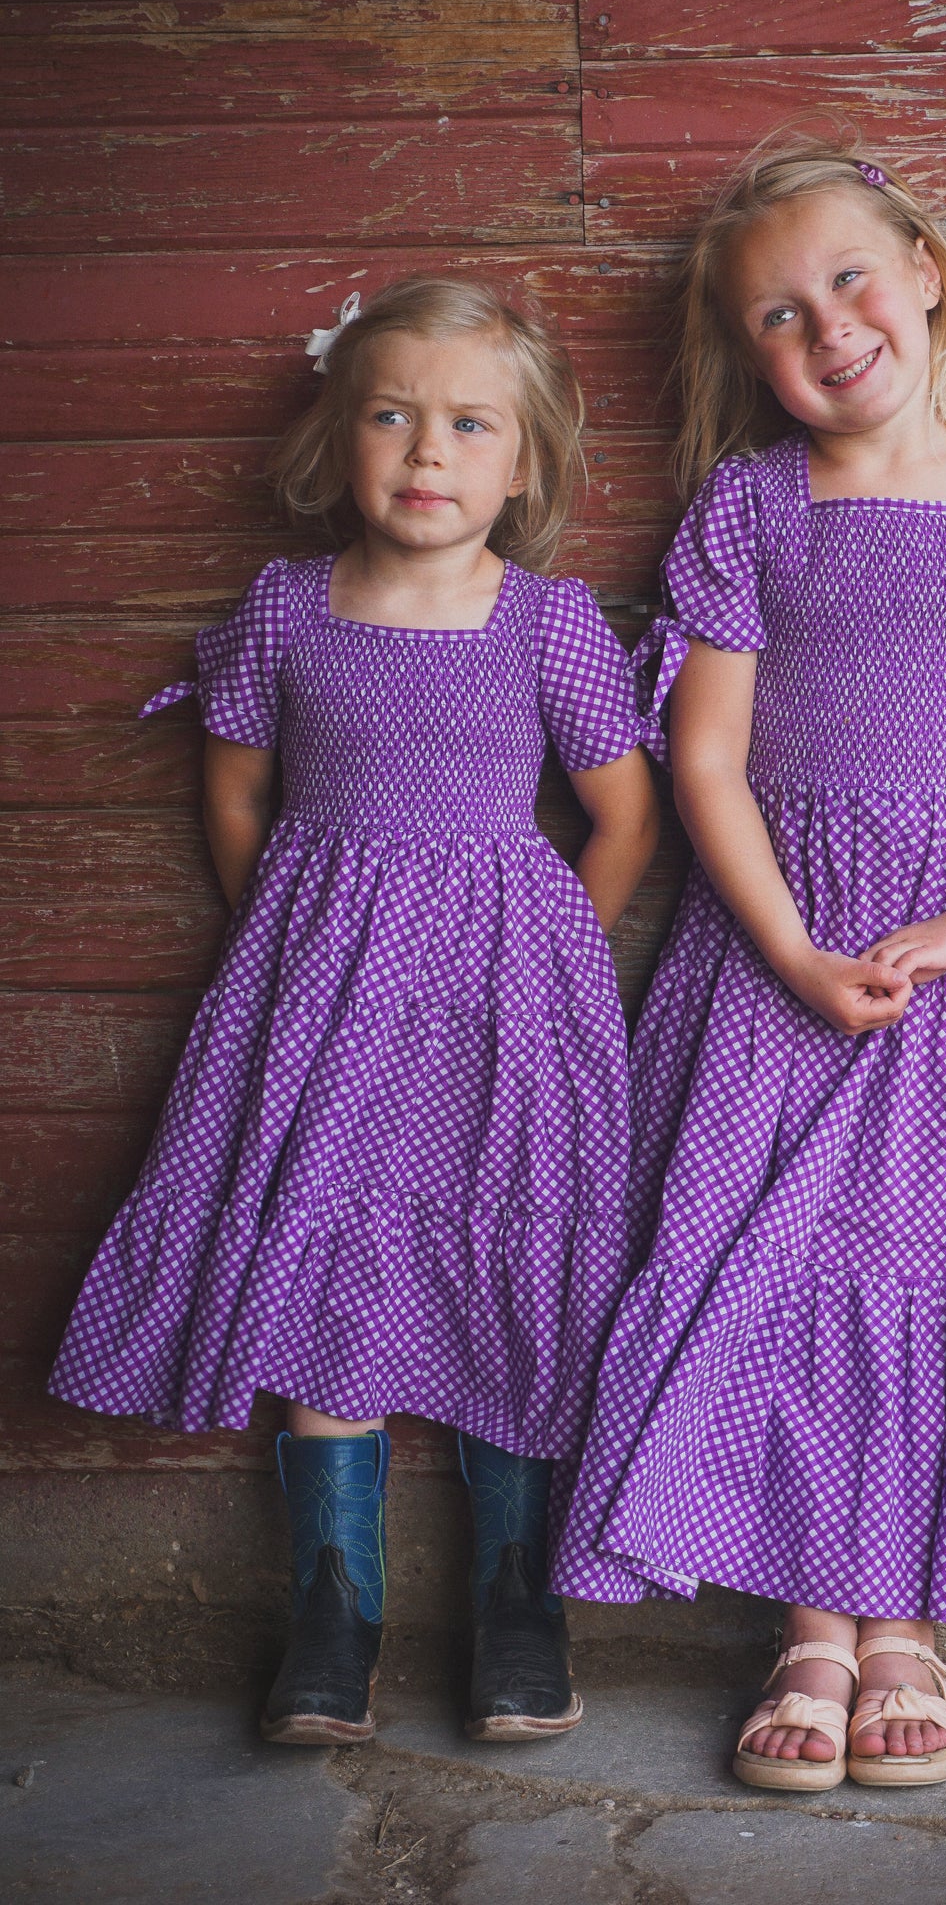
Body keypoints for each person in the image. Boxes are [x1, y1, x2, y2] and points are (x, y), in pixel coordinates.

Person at [553, 139, 946, 1791]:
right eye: (774, 313)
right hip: (774, 943)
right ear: (745, 357)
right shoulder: (744, 511)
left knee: (916, 1277)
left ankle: (891, 1622)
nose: (823, 325)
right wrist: (788, 951)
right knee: (755, 1262)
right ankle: (809, 1632)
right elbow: (703, 766)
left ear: (927, 274)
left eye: (846, 278)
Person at [50, 277, 659, 1748]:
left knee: (513, 1279)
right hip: (322, 1005)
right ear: (339, 436)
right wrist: (295, 942)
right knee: (329, 1277)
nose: (425, 452)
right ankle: (335, 1615)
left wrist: (545, 959)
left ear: (524, 465)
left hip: (511, 1019)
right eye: (390, 415)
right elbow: (237, 790)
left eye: (466, 425)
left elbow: (621, 815)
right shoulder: (283, 610)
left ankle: (521, 1608)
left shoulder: (551, 627)